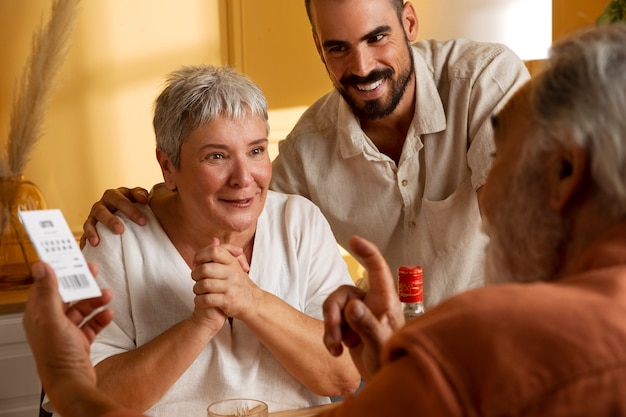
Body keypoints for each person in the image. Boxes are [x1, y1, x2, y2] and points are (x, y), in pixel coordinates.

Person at [22, 23, 626, 417]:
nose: (482, 197)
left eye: (503, 159)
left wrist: (66, 381)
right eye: (215, 156)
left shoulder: (478, 342)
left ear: (569, 175)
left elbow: (347, 386)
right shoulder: (131, 232)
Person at [80, 0, 530, 308]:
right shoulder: (307, 150)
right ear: (318, 46)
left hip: (500, 332)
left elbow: (513, 222)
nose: (361, 66)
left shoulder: (483, 79)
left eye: (377, 37)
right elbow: (235, 197)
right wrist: (141, 202)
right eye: (338, 48)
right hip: (394, 356)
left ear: (409, 22)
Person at [57, 65, 360, 417]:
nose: (244, 178)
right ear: (168, 167)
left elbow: (345, 376)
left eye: (256, 151)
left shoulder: (300, 222)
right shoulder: (117, 240)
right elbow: (87, 401)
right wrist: (199, 325)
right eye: (216, 156)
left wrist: (252, 301)